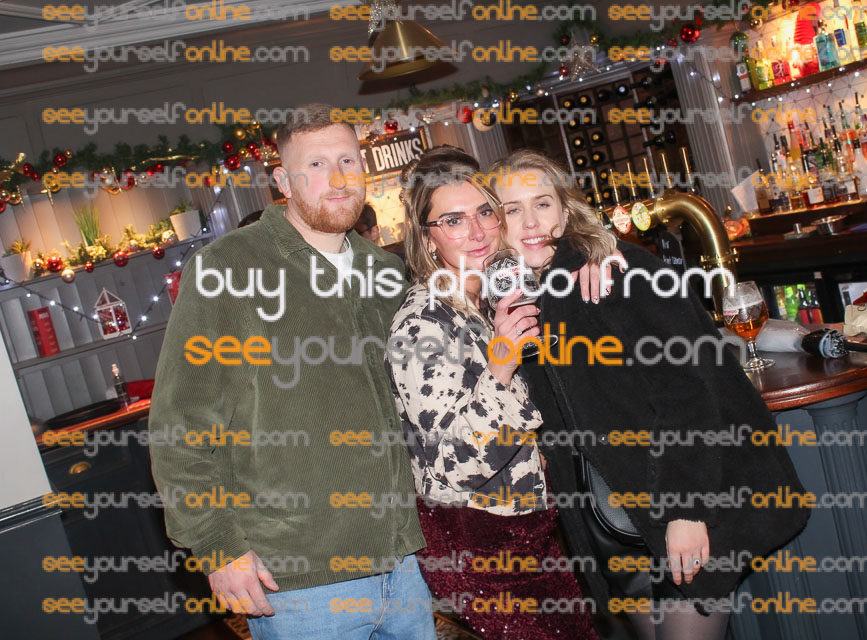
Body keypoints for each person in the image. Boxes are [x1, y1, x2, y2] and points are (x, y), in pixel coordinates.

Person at [489, 149, 811, 639]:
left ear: (565, 210)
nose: (530, 222)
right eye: (513, 209)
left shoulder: (619, 271)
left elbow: (688, 390)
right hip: (610, 528)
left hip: (682, 505)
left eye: (543, 204)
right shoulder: (515, 299)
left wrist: (686, 509)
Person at [149, 103, 437, 640]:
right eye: (316, 165)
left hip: (403, 565)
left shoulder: (386, 271)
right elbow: (180, 427)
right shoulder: (228, 269)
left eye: (347, 161)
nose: (338, 179)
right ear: (282, 181)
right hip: (300, 584)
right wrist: (217, 546)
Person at [385, 146, 601, 639]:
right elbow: (452, 465)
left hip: (532, 534)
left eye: (485, 212)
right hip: (481, 550)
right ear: (427, 237)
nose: (478, 231)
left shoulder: (490, 297)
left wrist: (597, 255)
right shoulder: (421, 325)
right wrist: (501, 364)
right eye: (453, 220)